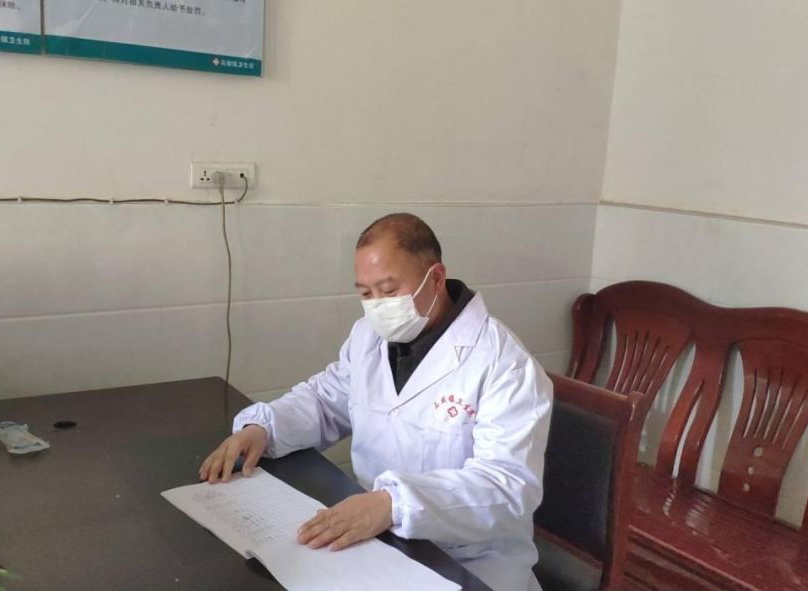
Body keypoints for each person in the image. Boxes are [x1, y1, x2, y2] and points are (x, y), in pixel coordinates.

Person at [200, 212, 552, 591]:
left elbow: (507, 488)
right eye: (366, 294)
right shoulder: (367, 336)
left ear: (436, 277)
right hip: (379, 543)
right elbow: (326, 400)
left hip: (472, 563)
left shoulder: (504, 363)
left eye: (389, 290)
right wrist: (264, 428)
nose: (378, 306)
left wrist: (392, 504)